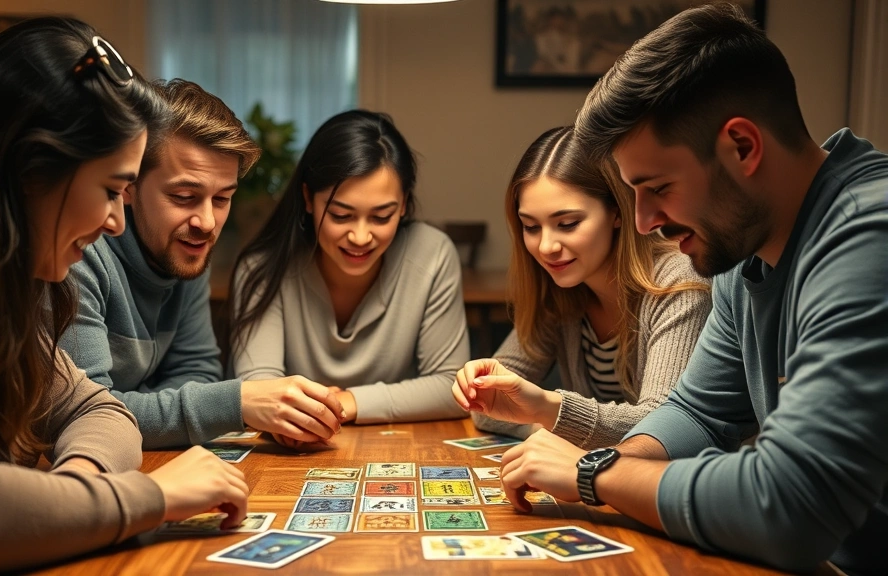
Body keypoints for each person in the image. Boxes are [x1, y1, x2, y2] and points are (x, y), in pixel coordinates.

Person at [498, 4, 888, 575]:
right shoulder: (742, 248)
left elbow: (790, 505)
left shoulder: (868, 235)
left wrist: (591, 474)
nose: (642, 221)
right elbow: (698, 414)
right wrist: (606, 462)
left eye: (657, 187)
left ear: (742, 147)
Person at [0, 19, 249, 575]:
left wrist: (77, 500)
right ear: (31, 168)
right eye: (111, 190)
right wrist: (154, 498)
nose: (118, 222)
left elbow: (97, 408)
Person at [60, 79, 346, 449]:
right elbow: (85, 416)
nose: (207, 223)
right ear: (127, 185)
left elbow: (198, 373)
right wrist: (239, 402)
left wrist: (138, 403)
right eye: (183, 196)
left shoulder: (186, 248)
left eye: (223, 199)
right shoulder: (77, 254)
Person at [453, 125, 710, 449]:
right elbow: (488, 407)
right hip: (607, 486)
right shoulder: (559, 291)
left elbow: (664, 427)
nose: (546, 246)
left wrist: (548, 409)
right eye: (530, 226)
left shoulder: (679, 283)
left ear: (617, 211)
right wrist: (542, 426)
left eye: (568, 224)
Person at [229, 109, 469, 436]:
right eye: (341, 215)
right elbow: (259, 389)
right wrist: (291, 421)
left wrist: (347, 402)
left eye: (382, 217)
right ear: (308, 199)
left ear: (403, 205)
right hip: (296, 450)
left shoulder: (431, 254)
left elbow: (450, 386)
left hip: (397, 447)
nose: (360, 237)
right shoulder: (262, 268)